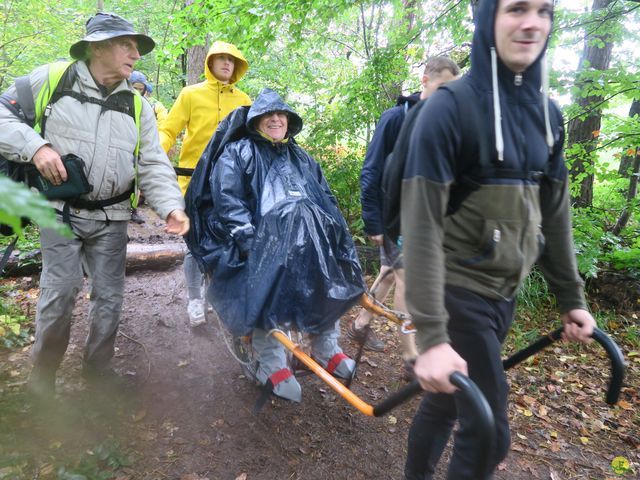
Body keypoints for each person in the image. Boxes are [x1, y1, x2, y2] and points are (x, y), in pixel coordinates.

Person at [401, 1, 597, 478]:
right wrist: (430, 335)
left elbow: (555, 213)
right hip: (455, 290)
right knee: (488, 433)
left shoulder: (548, 116)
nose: (532, 23)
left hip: (502, 294)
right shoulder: (450, 109)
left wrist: (571, 296)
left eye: (545, 11)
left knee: (449, 403)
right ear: (489, 17)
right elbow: (421, 225)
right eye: (517, 9)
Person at [0, 12, 189, 396]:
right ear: (98, 47)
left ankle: (98, 372)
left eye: (137, 48)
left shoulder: (137, 105)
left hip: (114, 217)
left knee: (110, 298)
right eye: (127, 45)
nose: (136, 54)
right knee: (61, 291)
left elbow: (152, 162)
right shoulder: (53, 78)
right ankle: (44, 376)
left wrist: (171, 206)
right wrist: (36, 147)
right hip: (58, 212)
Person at [192, 88, 364, 402]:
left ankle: (327, 348)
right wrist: (249, 241)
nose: (275, 119)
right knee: (264, 282)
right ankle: (269, 361)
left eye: (280, 114)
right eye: (268, 115)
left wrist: (338, 239)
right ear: (256, 120)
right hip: (255, 243)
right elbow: (228, 201)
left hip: (305, 244)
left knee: (329, 272)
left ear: (288, 121)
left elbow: (325, 201)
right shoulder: (238, 153)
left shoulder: (302, 158)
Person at [352, 57, 460, 378]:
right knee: (406, 279)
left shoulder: (445, 123)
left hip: (425, 217)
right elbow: (371, 170)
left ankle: (361, 323)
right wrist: (373, 220)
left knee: (389, 271)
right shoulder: (395, 117)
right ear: (425, 80)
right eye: (443, 89)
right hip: (394, 215)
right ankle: (411, 357)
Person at [159, 41, 251, 327]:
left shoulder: (245, 101)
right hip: (193, 182)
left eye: (232, 59)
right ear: (210, 63)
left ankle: (218, 294)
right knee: (194, 244)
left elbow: (251, 143)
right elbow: (168, 130)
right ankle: (194, 299)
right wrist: (155, 159)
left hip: (231, 187)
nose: (227, 63)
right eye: (221, 58)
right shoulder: (190, 94)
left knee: (230, 239)